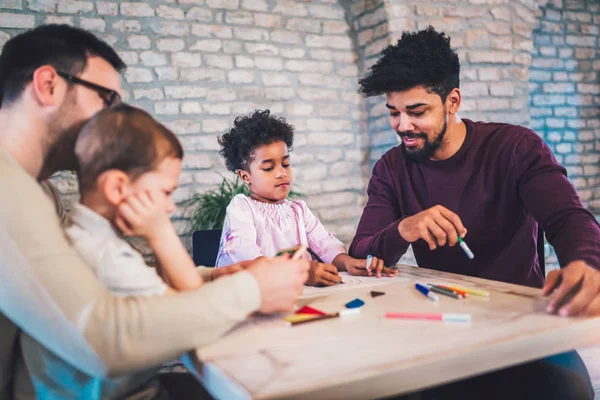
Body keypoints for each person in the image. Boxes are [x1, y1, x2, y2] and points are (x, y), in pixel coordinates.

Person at [0, 24, 309, 399]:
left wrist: (214, 278)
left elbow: (94, 279)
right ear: (48, 85)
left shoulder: (38, 188)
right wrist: (252, 290)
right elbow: (103, 338)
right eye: (107, 99)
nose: (114, 119)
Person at [349, 26, 597, 399]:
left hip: (518, 323)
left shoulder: (515, 147)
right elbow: (361, 255)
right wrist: (403, 229)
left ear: (452, 101)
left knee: (570, 391)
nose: (403, 126)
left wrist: (588, 264)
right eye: (394, 113)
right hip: (437, 323)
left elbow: (568, 218)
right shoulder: (390, 168)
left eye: (417, 112)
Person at [216, 109, 396, 285]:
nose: (281, 173)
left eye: (285, 164)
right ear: (245, 176)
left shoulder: (298, 210)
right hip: (257, 299)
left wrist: (349, 263)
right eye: (269, 168)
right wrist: (300, 273)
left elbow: (325, 245)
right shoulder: (242, 208)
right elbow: (247, 260)